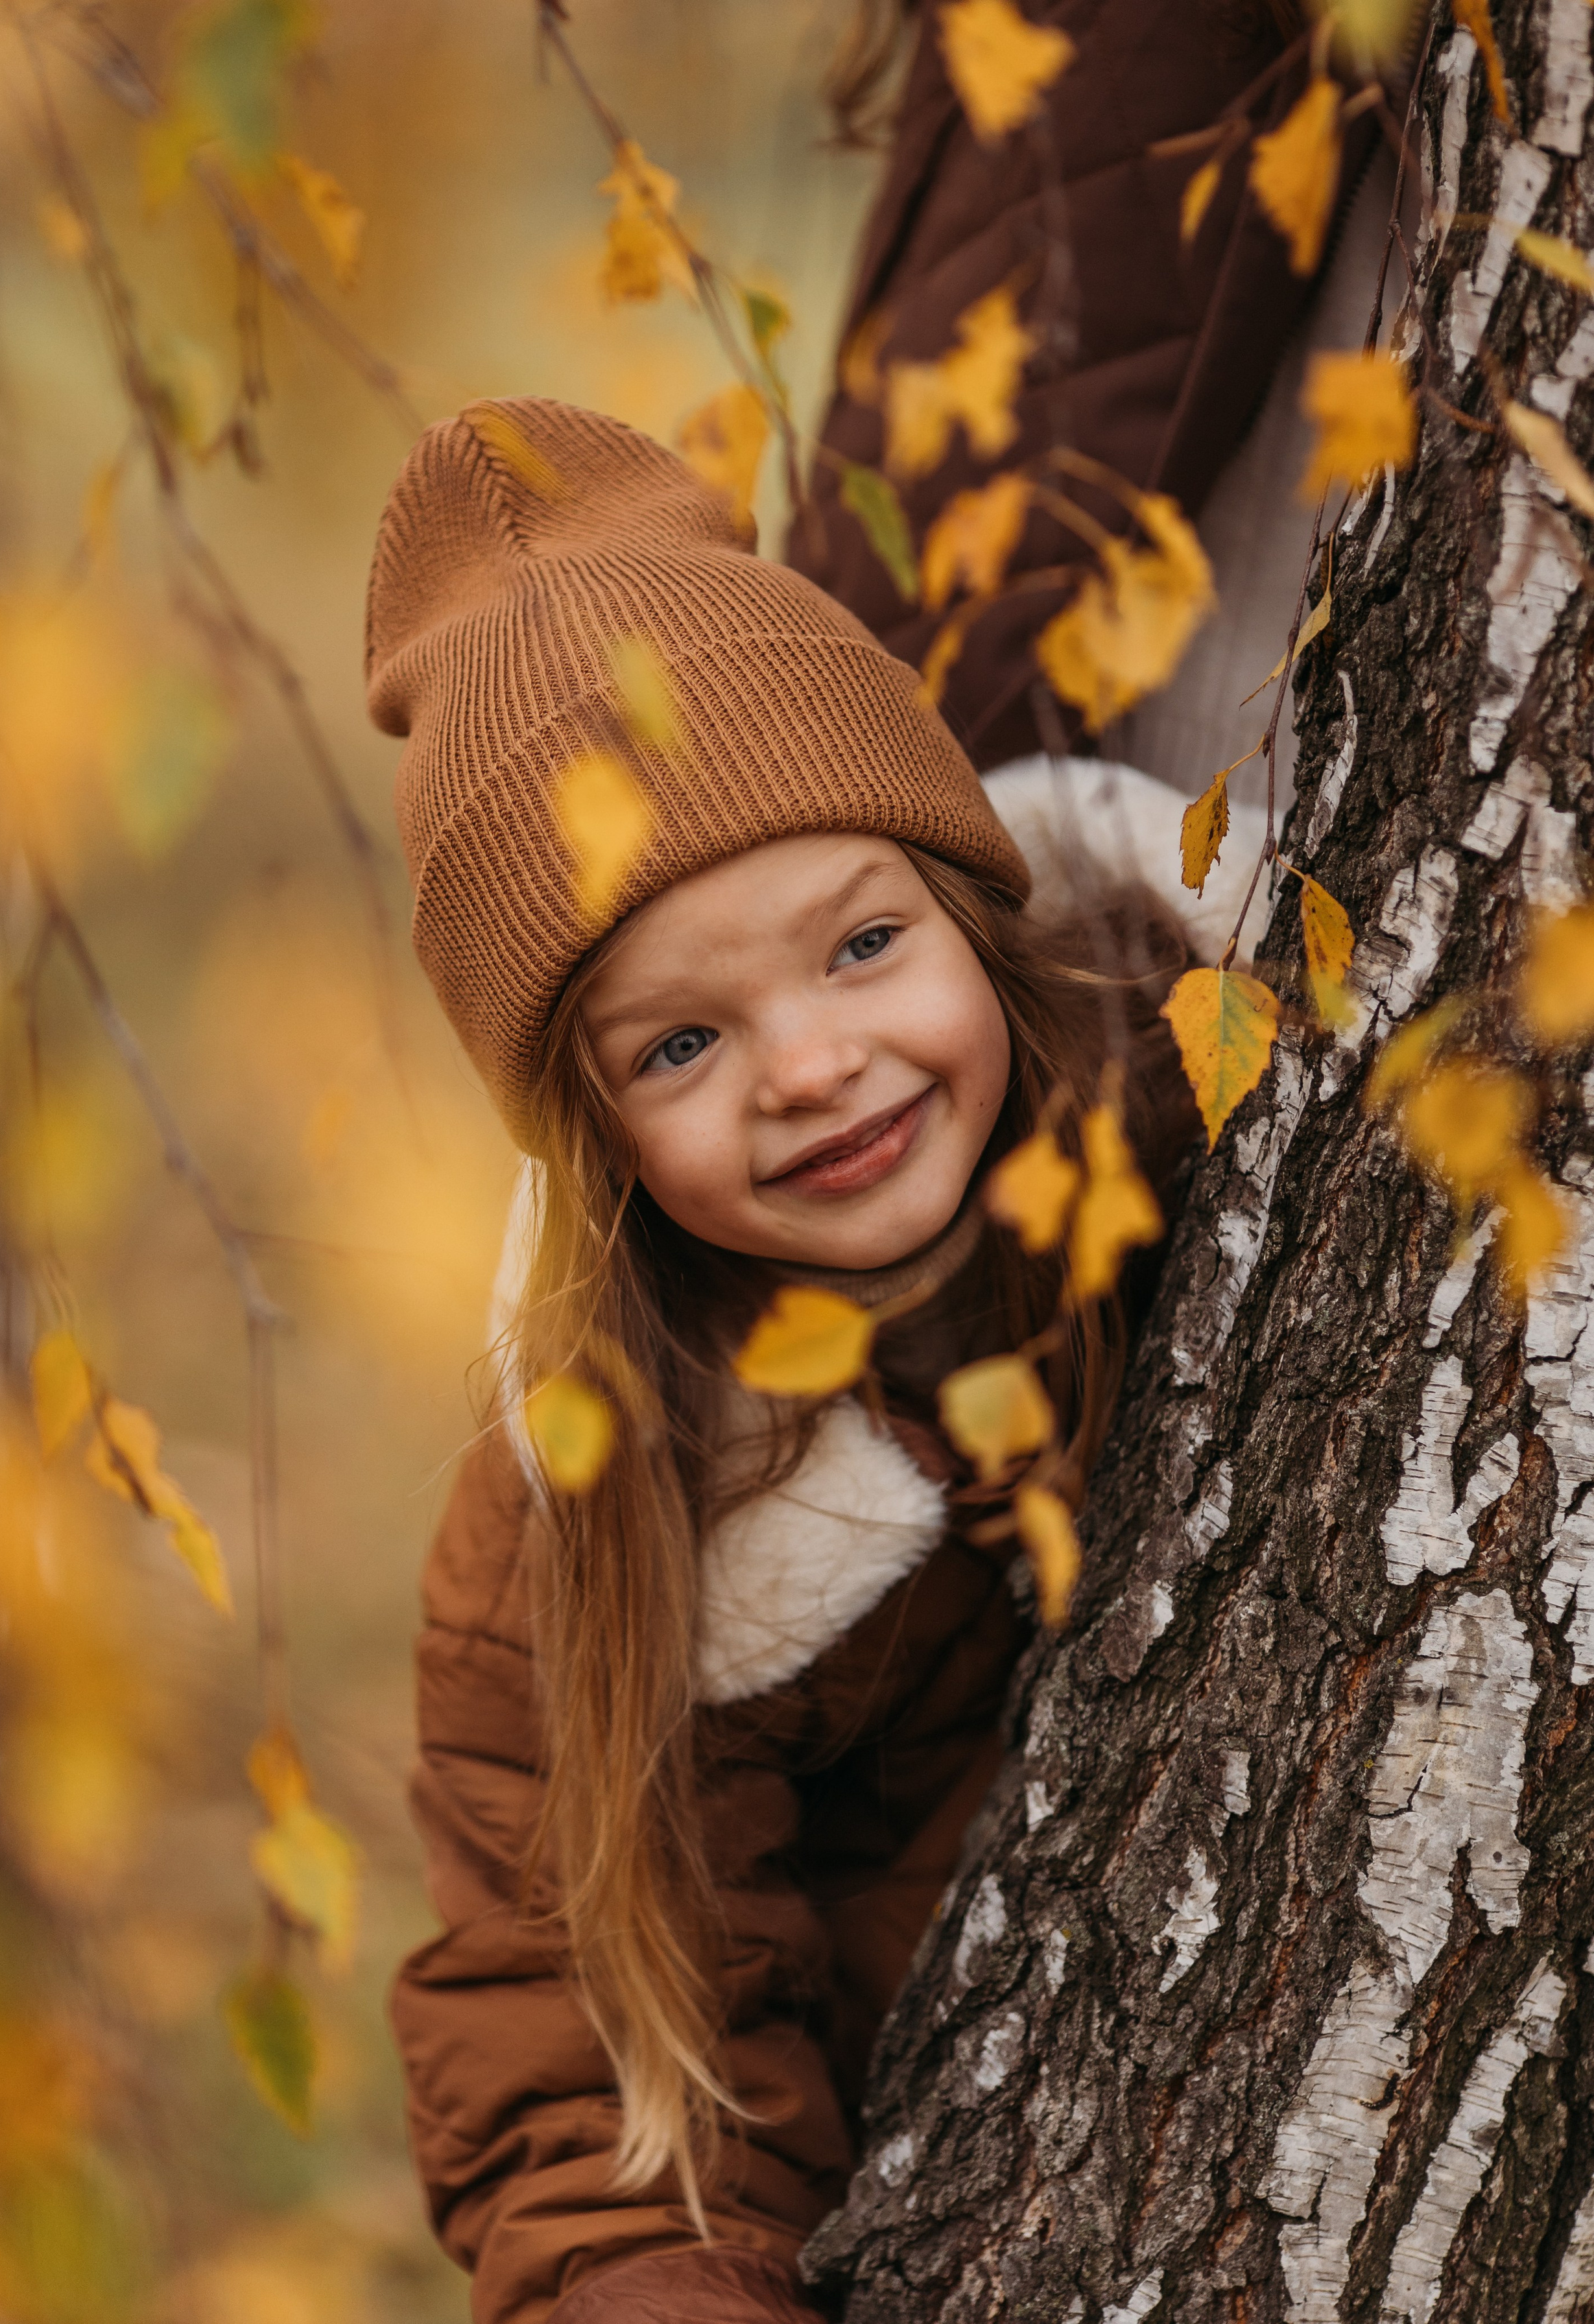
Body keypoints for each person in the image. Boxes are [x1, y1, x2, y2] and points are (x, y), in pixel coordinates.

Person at [364, 396, 1235, 2324]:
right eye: (681, 1044)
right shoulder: (598, 1498)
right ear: (592, 1139)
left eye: (860, 946)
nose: (817, 1066)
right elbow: (578, 2073)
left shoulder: (1200, 1081)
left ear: (968, 905)